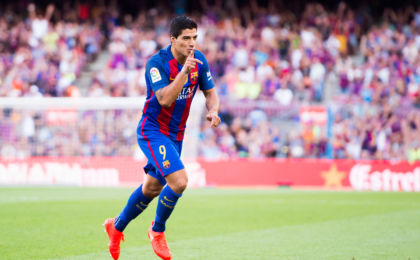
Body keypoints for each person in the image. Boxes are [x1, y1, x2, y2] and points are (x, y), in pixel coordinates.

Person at [104, 16, 220, 260]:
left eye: (195, 38)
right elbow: (165, 99)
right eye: (186, 38)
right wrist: (184, 72)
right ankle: (157, 231)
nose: (192, 43)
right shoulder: (156, 64)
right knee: (178, 182)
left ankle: (116, 227)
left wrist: (213, 110)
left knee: (152, 187)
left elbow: (210, 92)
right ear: (173, 40)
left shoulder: (200, 61)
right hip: (153, 130)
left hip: (175, 136)